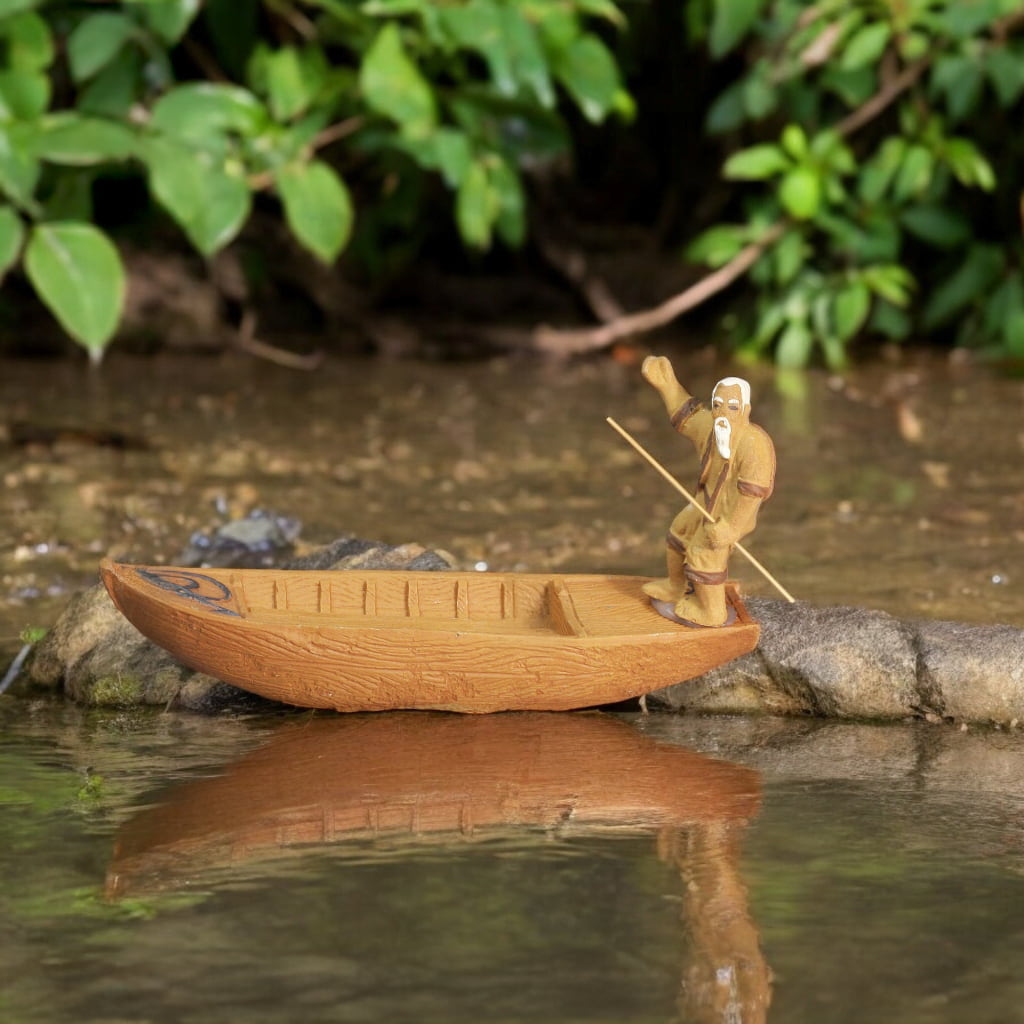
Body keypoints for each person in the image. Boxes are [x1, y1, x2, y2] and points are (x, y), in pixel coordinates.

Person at [640, 355, 775, 627]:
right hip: (706, 502)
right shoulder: (712, 426)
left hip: (733, 514)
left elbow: (752, 493)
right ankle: (676, 585)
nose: (723, 413)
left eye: (732, 407)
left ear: (746, 410)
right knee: (681, 530)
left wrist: (731, 528)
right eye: (718, 405)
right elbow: (686, 415)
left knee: (705, 550)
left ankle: (712, 612)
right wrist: (667, 384)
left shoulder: (754, 444)